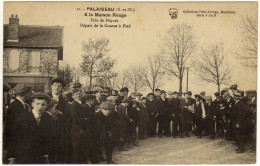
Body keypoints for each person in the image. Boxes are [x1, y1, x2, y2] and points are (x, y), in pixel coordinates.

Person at [8, 92, 52, 164]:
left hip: (40, 156)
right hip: (23, 155)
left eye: (43, 104)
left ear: (47, 105)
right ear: (32, 104)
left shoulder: (48, 118)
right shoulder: (23, 118)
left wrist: (46, 155)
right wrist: (12, 157)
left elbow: (48, 139)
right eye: (37, 104)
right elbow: (14, 138)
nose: (40, 107)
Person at [4, 84, 32, 162]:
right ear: (26, 93)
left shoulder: (20, 105)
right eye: (30, 92)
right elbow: (12, 130)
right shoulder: (16, 107)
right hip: (17, 146)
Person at [48, 78, 71, 164]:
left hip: (59, 130)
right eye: (55, 85)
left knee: (59, 151)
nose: (57, 87)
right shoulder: (45, 98)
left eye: (59, 86)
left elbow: (67, 116)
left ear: (62, 88)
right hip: (47, 128)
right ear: (51, 87)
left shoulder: (64, 101)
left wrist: (61, 115)